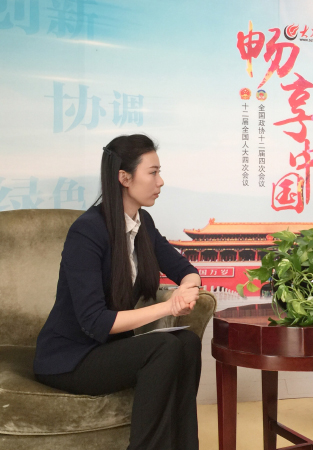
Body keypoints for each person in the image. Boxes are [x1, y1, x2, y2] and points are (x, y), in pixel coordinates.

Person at [34, 134, 203, 450]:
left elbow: (186, 270)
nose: (160, 181)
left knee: (188, 342)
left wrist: (187, 288)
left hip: (109, 350)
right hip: (70, 358)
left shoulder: (143, 223)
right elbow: (95, 322)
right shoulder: (87, 231)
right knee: (164, 347)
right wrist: (170, 306)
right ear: (124, 178)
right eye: (153, 172)